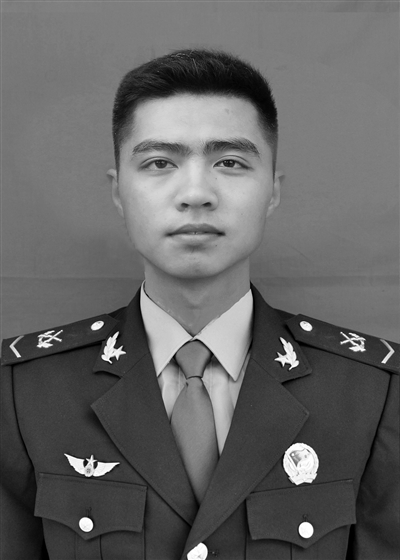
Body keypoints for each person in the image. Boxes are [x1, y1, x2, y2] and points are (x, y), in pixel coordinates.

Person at [1, 49, 398, 560]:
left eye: (229, 162)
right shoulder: (23, 392)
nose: (195, 193)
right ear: (118, 191)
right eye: (159, 163)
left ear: (272, 191)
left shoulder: (373, 393)